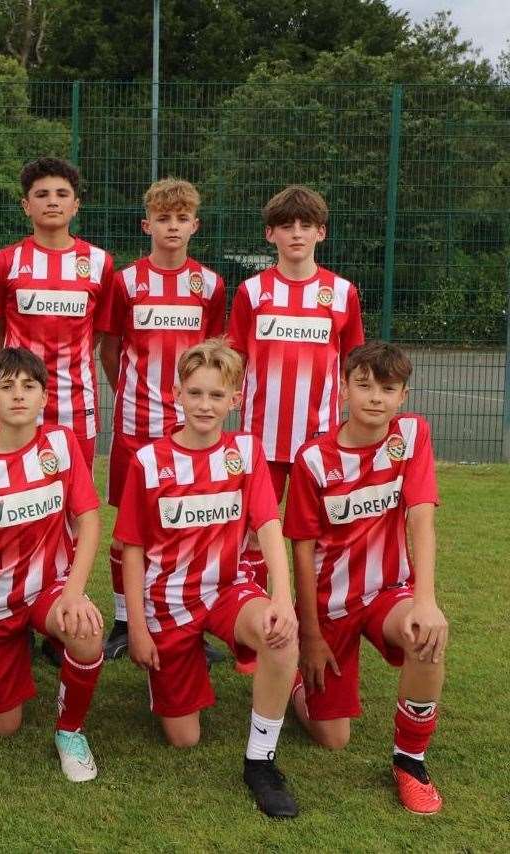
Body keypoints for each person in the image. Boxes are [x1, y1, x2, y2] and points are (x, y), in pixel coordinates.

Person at [115, 338, 301, 818]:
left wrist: (281, 597)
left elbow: (268, 525)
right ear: (176, 393)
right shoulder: (149, 462)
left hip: (227, 591)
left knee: (281, 634)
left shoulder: (245, 451)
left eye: (217, 395)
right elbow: (131, 550)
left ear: (235, 400)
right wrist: (136, 627)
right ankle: (185, 655)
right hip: (167, 603)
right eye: (195, 393)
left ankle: (260, 762)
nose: (205, 404)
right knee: (184, 739)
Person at [285, 341, 447, 814]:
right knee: (332, 739)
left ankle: (410, 761)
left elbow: (420, 517)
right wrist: (310, 635)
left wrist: (425, 599)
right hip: (329, 604)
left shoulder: (411, 436)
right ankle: (299, 681)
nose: (375, 396)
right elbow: (302, 547)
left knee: (428, 634)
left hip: (387, 592)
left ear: (402, 396)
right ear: (343, 391)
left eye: (388, 388)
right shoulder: (313, 459)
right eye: (364, 385)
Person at [0, 347, 104, 781]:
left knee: (87, 630)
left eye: (29, 386)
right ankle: (11, 655)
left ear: (44, 397)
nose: (18, 395)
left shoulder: (61, 444)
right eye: (6, 387)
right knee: (3, 727)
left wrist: (74, 593)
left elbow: (88, 521)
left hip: (49, 588)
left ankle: (70, 731)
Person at [97, 177, 226, 660]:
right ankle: (124, 620)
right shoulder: (126, 282)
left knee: (187, 524)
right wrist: (131, 393)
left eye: (182, 219)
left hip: (192, 428)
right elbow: (110, 349)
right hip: (135, 423)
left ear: (195, 225)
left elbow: (212, 355)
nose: (172, 227)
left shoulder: (209, 284)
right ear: (146, 224)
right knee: (128, 528)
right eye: (163, 219)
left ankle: (190, 622)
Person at [227, 185, 364, 586]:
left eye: (307, 225)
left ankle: (316, 615)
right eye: (286, 226)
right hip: (260, 436)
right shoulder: (251, 292)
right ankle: (254, 614)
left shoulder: (341, 293)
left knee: (318, 530)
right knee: (253, 530)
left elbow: (354, 362)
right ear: (270, 234)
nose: (297, 234)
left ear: (322, 233)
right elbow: (234, 359)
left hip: (318, 438)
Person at [0, 157, 114, 461]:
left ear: (76, 204)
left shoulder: (99, 262)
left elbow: (96, 331)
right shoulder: (4, 261)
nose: (52, 202)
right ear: (26, 205)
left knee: (74, 498)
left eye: (61, 194)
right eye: (42, 195)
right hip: (17, 399)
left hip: (77, 403)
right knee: (16, 490)